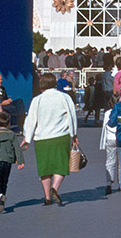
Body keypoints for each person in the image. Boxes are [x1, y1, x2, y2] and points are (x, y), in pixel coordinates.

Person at [21, 72, 78, 206]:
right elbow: (72, 116)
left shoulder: (37, 100)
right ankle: (55, 188)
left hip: (42, 138)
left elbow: (31, 120)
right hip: (61, 136)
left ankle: (47, 197)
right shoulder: (64, 97)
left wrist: (27, 138)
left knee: (44, 168)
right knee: (61, 165)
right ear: (54, 83)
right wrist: (74, 135)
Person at [0, 112, 24, 213]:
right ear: (8, 124)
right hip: (8, 162)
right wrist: (20, 161)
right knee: (4, 183)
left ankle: (0, 197)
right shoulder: (12, 135)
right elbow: (17, 149)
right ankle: (0, 202)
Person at [99, 98, 119, 195]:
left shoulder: (107, 113)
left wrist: (102, 142)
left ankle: (109, 182)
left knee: (110, 161)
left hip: (110, 139)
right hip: (120, 139)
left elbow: (104, 128)